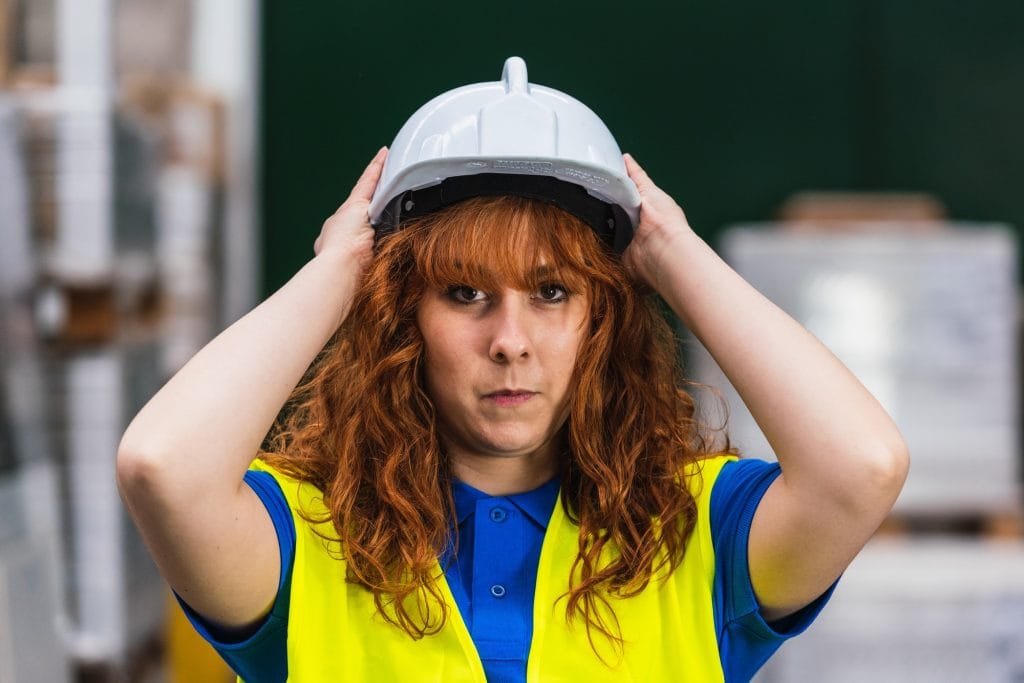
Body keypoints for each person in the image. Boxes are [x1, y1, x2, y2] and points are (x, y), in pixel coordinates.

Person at [117, 57, 908, 682]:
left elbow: (863, 466)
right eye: (464, 294)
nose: (510, 340)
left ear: (600, 318)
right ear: (404, 319)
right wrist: (341, 266)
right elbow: (162, 466)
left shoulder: (694, 533)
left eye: (552, 292)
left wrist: (671, 250)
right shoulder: (302, 536)